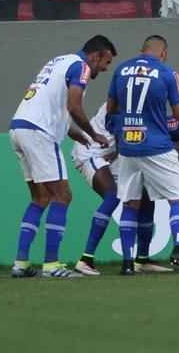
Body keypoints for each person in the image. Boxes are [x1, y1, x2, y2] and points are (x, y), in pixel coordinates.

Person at [9, 38, 116, 279]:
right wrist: (93, 133)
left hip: (19, 128)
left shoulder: (59, 61)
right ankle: (52, 265)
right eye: (106, 62)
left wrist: (83, 137)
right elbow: (74, 107)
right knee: (63, 196)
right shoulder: (82, 66)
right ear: (96, 55)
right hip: (39, 133)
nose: (104, 68)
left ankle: (21, 263)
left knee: (40, 197)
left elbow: (60, 115)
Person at [105, 34, 179, 275]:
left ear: (142, 49)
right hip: (157, 146)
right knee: (178, 199)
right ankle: (178, 248)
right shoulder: (168, 73)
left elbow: (111, 109)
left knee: (131, 203)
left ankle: (127, 263)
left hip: (127, 146)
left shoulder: (121, 69)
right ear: (163, 53)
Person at [70, 99, 121, 276]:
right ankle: (86, 259)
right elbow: (122, 131)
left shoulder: (139, 100)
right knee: (112, 196)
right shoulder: (119, 100)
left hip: (112, 154)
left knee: (137, 197)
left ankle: (141, 259)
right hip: (92, 151)